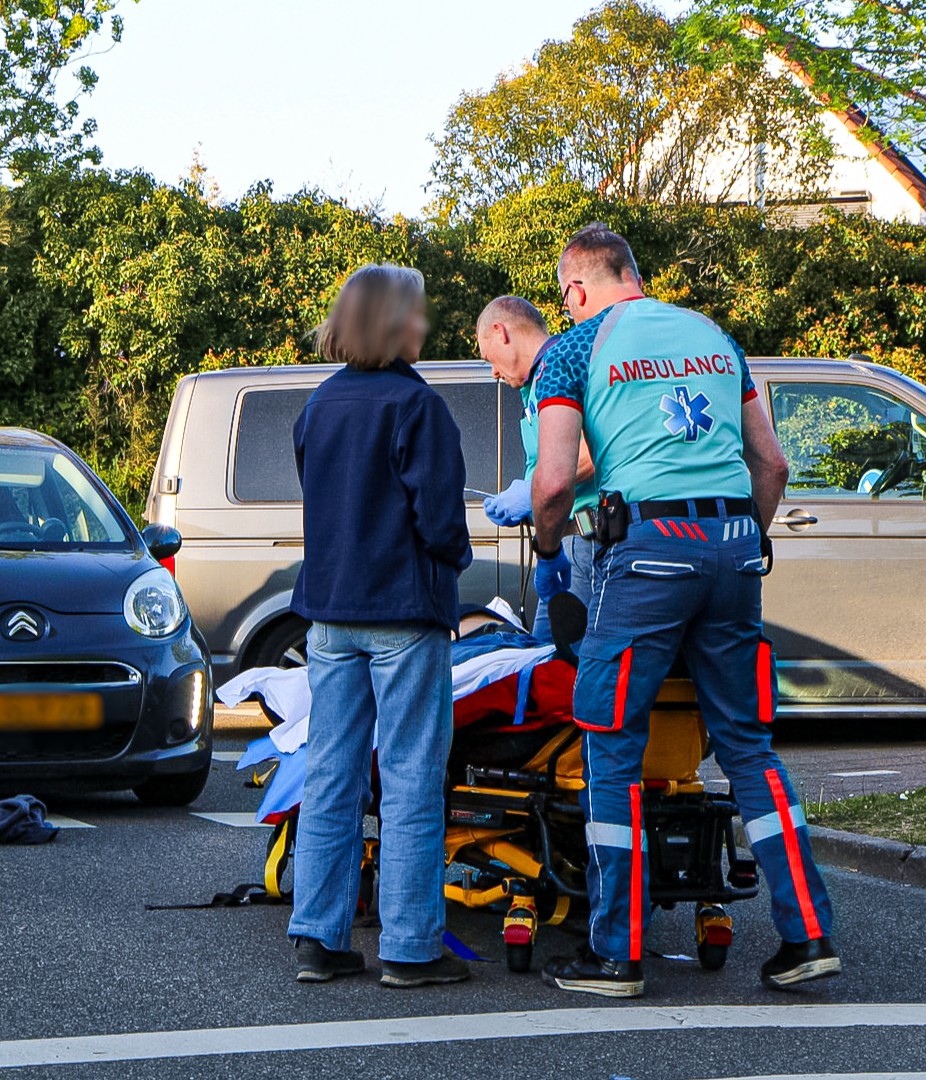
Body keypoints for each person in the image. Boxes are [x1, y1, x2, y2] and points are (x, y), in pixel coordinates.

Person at [531, 224, 837, 997]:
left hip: (647, 554)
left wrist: (547, 552)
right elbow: (771, 462)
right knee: (747, 748)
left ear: (575, 288)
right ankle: (806, 936)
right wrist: (739, 542)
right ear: (636, 274)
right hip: (734, 548)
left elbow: (556, 484)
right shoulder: (713, 336)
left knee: (612, 746)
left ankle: (617, 953)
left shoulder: (574, 350)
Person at [285, 264, 474, 988]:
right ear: (396, 324)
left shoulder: (319, 405)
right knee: (410, 777)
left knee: (331, 772)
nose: (424, 326)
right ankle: (409, 945)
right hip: (403, 608)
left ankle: (318, 937)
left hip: (330, 611)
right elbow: (437, 519)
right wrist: (456, 557)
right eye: (418, 314)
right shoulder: (417, 407)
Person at [473, 296, 599, 641]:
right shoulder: (533, 387)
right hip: (563, 546)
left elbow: (592, 454)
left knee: (557, 664)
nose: (494, 372)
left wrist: (531, 492)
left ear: (501, 332)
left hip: (586, 540)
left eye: (489, 359)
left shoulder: (562, 367)